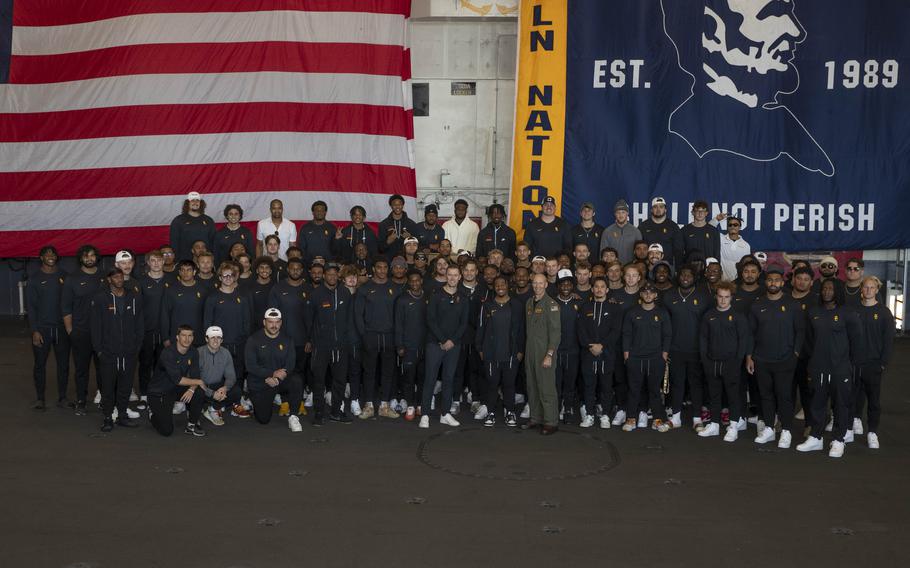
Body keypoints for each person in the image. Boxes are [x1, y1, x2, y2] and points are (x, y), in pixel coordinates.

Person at [796, 279, 862, 458]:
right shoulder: (813, 312)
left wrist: (849, 365)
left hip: (840, 369)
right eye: (824, 288)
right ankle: (816, 438)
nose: (826, 291)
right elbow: (809, 341)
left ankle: (838, 440)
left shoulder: (848, 313)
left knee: (841, 405)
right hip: (818, 367)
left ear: (838, 291)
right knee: (816, 404)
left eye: (831, 289)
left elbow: (857, 342)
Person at [746, 266, 805, 448]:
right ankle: (770, 429)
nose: (773, 283)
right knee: (766, 396)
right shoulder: (757, 305)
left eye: (777, 280)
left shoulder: (792, 304)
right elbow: (751, 333)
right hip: (762, 359)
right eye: (770, 280)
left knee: (784, 396)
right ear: (766, 282)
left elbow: (800, 331)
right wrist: (749, 356)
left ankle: (786, 430)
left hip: (785, 359)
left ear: (782, 282)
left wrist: (795, 352)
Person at [90, 268, 144, 432]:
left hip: (129, 352)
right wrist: (99, 350)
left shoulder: (133, 297)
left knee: (125, 387)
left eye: (121, 276)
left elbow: (140, 324)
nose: (119, 279)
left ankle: (122, 416)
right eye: (115, 276)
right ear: (109, 279)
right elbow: (95, 327)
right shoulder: (100, 298)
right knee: (107, 387)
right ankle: (107, 418)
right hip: (108, 353)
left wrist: (137, 347)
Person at [699, 281, 750, 441]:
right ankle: (714, 424)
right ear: (716, 297)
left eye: (726, 297)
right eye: (720, 297)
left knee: (733, 396)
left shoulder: (738, 317)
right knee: (714, 395)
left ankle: (733, 426)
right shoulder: (708, 315)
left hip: (731, 363)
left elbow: (743, 341)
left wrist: (737, 362)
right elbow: (703, 339)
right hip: (712, 363)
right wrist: (705, 360)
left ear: (731, 298)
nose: (723, 300)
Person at [420, 265, 469, 428]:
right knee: (430, 379)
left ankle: (445, 413)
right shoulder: (436, 295)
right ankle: (425, 414)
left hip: (453, 345)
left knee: (449, 379)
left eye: (456, 275)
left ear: (460, 277)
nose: (453, 278)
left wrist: (452, 341)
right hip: (435, 344)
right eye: (450, 275)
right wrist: (442, 340)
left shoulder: (464, 297)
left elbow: (464, 323)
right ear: (445, 276)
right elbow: (430, 320)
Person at [664, 265, 712, 429]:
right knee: (677, 383)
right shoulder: (669, 295)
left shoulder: (704, 297)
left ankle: (697, 419)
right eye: (682, 274)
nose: (685, 277)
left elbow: (709, 325)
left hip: (696, 350)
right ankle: (676, 417)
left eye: (689, 275)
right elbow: (664, 325)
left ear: (695, 278)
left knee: (695, 384)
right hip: (675, 349)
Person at [62, 244, 107, 415]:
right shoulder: (72, 278)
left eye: (92, 255)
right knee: (81, 369)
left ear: (97, 258)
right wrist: (70, 331)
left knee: (103, 368)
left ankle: (105, 399)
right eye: (86, 256)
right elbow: (66, 307)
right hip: (81, 332)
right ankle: (81, 401)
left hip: (102, 332)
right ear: (81, 258)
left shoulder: (104, 277)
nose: (90, 259)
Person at [850, 276, 894, 449]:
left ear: (877, 290)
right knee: (852, 397)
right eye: (866, 287)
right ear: (861, 289)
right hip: (854, 363)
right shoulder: (853, 310)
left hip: (874, 364)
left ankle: (872, 432)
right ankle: (852, 424)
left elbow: (888, 341)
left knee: (874, 400)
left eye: (872, 287)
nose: (868, 290)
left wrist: (882, 363)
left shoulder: (884, 312)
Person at [622, 282, 672, 432]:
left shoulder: (662, 313)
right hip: (635, 358)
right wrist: (627, 356)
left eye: (651, 292)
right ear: (641, 294)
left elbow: (667, 335)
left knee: (654, 390)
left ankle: (657, 419)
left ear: (656, 295)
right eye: (645, 292)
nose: (648, 295)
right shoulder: (632, 312)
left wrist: (664, 355)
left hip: (656, 358)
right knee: (634, 389)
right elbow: (626, 334)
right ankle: (631, 418)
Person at [307, 264, 354, 424]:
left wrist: (347, 340)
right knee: (319, 380)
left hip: (341, 345)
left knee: (340, 380)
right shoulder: (316, 294)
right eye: (329, 274)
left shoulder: (345, 292)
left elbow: (349, 318)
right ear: (324, 276)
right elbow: (309, 320)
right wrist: (310, 340)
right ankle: (319, 413)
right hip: (321, 346)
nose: (332, 277)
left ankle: (336, 411)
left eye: (335, 274)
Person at [475, 275, 525, 427]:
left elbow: (522, 330)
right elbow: (481, 328)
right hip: (491, 353)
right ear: (494, 287)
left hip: (511, 353)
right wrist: (480, 348)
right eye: (497, 285)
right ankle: (490, 412)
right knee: (492, 384)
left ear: (508, 285)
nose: (500, 287)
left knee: (509, 384)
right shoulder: (487, 306)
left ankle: (510, 412)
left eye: (503, 284)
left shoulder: (516, 304)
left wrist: (520, 349)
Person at [244, 308, 304, 431]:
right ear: (264, 322)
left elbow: (290, 363)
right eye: (270, 322)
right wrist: (270, 374)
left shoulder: (287, 339)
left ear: (281, 323)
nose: (274, 325)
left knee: (296, 380)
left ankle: (293, 416)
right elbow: (250, 366)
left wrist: (276, 377)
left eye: (277, 322)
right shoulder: (253, 340)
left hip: (279, 380)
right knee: (263, 420)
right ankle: (254, 399)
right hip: (261, 381)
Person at [355, 258, 401, 419]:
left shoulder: (395, 288)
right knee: (369, 372)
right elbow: (358, 315)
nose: (382, 270)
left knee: (388, 372)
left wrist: (397, 337)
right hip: (371, 335)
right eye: (379, 267)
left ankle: (384, 406)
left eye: (384, 267)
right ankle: (368, 405)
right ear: (374, 268)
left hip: (389, 336)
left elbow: (399, 316)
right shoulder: (364, 288)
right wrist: (364, 335)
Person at [267, 258, 311, 417]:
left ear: (302, 270)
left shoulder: (308, 288)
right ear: (287, 269)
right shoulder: (278, 289)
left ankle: (299, 403)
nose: (295, 271)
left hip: (302, 341)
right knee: (283, 371)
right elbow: (272, 315)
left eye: (299, 269)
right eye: (292, 268)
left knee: (300, 372)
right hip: (282, 340)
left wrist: (310, 339)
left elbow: (312, 317)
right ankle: (285, 403)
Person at [28, 246, 70, 410]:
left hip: (61, 328)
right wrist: (35, 330)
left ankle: (63, 398)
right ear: (41, 258)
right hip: (42, 329)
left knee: (64, 365)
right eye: (47, 254)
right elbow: (31, 307)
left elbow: (69, 303)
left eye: (53, 254)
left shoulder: (64, 276)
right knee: (39, 364)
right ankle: (40, 399)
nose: (51, 256)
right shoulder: (35, 278)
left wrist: (70, 327)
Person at [147, 325, 207, 437]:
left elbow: (196, 376)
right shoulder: (168, 353)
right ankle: (153, 414)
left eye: (190, 336)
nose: (187, 339)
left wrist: (192, 389)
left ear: (193, 338)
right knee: (166, 430)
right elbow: (178, 379)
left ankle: (191, 425)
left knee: (199, 392)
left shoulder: (193, 352)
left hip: (175, 388)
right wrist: (198, 382)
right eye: (183, 335)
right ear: (177, 337)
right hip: (159, 392)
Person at [577, 276, 621, 429]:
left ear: (607, 290)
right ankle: (589, 415)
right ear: (592, 289)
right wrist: (591, 346)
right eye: (596, 286)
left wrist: (602, 346)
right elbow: (581, 330)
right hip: (588, 354)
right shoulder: (585, 307)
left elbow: (616, 331)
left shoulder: (614, 308)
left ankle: (605, 416)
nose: (599, 289)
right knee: (589, 386)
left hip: (607, 353)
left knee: (606, 387)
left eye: (602, 287)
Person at [522, 273, 561, 435]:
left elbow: (556, 332)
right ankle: (536, 418)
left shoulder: (551, 304)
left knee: (546, 387)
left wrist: (549, 354)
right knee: (532, 386)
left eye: (540, 283)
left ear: (546, 284)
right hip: (530, 350)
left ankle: (551, 421)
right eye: (535, 283)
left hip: (544, 351)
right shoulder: (529, 303)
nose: (537, 286)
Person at [203, 262, 252, 390]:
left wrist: (244, 338)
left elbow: (247, 321)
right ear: (219, 278)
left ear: (235, 277)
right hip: (219, 344)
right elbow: (207, 322)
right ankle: (219, 402)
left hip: (239, 343)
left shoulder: (242, 297)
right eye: (225, 276)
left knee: (238, 372)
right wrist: (212, 341)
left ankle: (238, 400)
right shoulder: (212, 298)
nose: (228, 278)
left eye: (231, 275)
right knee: (219, 374)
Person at [136, 250, 168, 409]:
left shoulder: (172, 280)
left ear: (164, 262)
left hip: (165, 331)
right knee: (145, 363)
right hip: (146, 330)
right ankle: (144, 395)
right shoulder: (140, 282)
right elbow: (138, 309)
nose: (156, 263)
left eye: (159, 260)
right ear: (148, 263)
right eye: (153, 260)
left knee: (162, 364)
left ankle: (159, 393)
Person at [395, 271, 429, 421]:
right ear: (408, 282)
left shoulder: (428, 297)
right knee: (409, 377)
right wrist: (400, 345)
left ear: (421, 280)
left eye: (417, 280)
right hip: (408, 346)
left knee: (423, 376)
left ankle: (420, 404)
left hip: (426, 345)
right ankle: (410, 405)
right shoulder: (402, 299)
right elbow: (398, 324)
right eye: (412, 281)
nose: (415, 283)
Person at [553, 269, 581, 425]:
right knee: (556, 383)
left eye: (569, 284)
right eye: (562, 284)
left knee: (570, 383)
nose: (565, 286)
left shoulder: (579, 303)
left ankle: (568, 408)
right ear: (558, 286)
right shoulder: (550, 302)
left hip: (573, 351)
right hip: (556, 351)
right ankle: (555, 409)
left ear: (573, 286)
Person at [160, 260, 209, 348]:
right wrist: (165, 337)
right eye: (182, 270)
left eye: (189, 270)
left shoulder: (203, 290)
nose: (185, 273)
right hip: (177, 337)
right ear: (179, 272)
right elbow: (165, 315)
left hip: (198, 337)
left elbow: (207, 316)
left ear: (194, 272)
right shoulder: (171, 290)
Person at [197, 326, 241, 426]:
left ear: (222, 340)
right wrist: (212, 394)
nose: (216, 340)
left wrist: (225, 388)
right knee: (196, 392)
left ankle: (212, 409)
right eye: (212, 337)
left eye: (218, 338)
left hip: (218, 387)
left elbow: (231, 376)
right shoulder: (198, 353)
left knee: (237, 391)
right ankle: (216, 405)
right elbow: (195, 380)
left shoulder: (226, 353)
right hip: (202, 388)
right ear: (206, 339)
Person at [170, 191, 216, 262]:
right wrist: (176, 260)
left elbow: (213, 242)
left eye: (197, 200)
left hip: (205, 261)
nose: (195, 203)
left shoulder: (209, 220)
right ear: (187, 203)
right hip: (184, 260)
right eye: (192, 200)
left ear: (201, 203)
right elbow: (174, 243)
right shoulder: (178, 220)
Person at [675, 200, 720, 267]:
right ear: (693, 213)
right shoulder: (684, 230)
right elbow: (679, 253)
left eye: (703, 211)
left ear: (706, 213)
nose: (700, 213)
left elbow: (717, 254)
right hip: (690, 270)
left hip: (709, 270)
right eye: (697, 211)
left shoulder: (713, 231)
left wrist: (717, 268)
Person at [600, 199, 642, 264]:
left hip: (630, 269)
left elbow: (640, 253)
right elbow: (602, 254)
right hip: (612, 269)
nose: (620, 215)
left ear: (627, 213)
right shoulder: (607, 231)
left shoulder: (636, 231)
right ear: (615, 214)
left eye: (623, 212)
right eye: (618, 212)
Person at [378, 194, 418, 260]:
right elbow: (380, 248)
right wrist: (387, 242)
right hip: (389, 261)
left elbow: (417, 246)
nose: (397, 206)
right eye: (394, 204)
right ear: (391, 206)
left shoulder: (411, 224)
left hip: (407, 261)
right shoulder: (383, 224)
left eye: (400, 204)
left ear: (403, 205)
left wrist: (410, 238)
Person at [298, 201, 337, 265]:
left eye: (322, 210)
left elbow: (335, 249)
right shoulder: (305, 228)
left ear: (325, 212)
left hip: (328, 265)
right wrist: (308, 261)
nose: (319, 212)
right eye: (317, 210)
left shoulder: (332, 228)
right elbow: (301, 248)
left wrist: (337, 239)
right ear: (313, 212)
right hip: (309, 265)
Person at [246, 258, 276, 329]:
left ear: (271, 271)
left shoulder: (276, 287)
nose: (264, 270)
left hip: (273, 325)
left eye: (267, 268)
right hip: (255, 327)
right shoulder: (250, 288)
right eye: (261, 267)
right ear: (257, 270)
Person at [719, 215, 750, 281]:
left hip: (738, 281)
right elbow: (709, 228)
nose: (732, 227)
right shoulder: (720, 239)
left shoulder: (746, 245)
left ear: (740, 227)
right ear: (727, 227)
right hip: (723, 281)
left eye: (735, 225)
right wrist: (716, 219)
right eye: (730, 225)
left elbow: (746, 265)